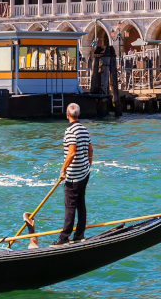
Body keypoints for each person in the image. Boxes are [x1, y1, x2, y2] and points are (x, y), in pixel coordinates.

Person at [53, 103, 93, 246]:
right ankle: (79, 233)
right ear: (79, 114)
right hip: (84, 173)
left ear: (67, 114)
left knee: (70, 206)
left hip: (74, 177)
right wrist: (88, 166)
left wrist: (63, 170)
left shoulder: (70, 131)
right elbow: (91, 151)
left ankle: (64, 237)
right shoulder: (84, 129)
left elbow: (71, 153)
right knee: (80, 204)